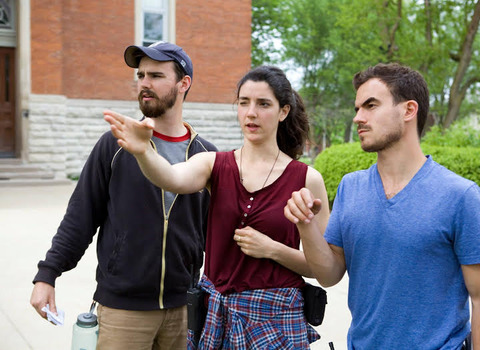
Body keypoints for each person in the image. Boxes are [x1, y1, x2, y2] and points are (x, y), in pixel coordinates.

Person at [104, 65, 330, 349]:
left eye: (263, 104)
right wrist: (144, 153)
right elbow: (172, 177)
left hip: (277, 324)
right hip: (216, 320)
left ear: (283, 111)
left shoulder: (307, 179)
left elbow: (326, 270)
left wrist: (272, 249)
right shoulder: (215, 163)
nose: (251, 113)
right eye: (244, 103)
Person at [30, 41, 217, 349]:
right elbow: (80, 217)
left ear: (184, 84)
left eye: (156, 75)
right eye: (141, 75)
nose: (144, 83)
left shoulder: (206, 155)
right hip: (122, 310)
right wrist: (47, 274)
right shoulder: (114, 145)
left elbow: (217, 234)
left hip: (185, 309)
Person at [284, 63, 480, 349]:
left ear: (408, 110)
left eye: (371, 105)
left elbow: (478, 296)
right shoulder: (351, 187)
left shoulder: (460, 196)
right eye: (357, 108)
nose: (358, 118)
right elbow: (329, 274)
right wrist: (306, 226)